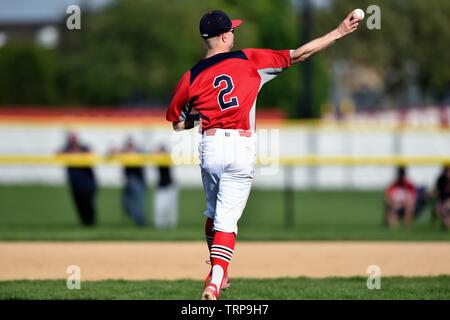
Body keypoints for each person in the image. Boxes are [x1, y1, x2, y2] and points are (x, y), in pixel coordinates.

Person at [166, 9, 361, 300]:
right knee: (227, 222)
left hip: (210, 145)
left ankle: (217, 270)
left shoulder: (190, 76)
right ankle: (215, 282)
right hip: (240, 146)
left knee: (213, 214)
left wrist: (201, 118)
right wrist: (339, 32)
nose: (234, 33)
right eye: (231, 30)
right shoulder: (248, 59)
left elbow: (177, 123)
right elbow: (300, 55)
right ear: (223, 36)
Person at [59, 132, 97, 226]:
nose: (73, 143)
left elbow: (92, 155)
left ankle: (90, 221)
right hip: (74, 183)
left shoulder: (84, 148)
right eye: (72, 141)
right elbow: (57, 154)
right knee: (78, 203)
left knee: (87, 202)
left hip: (87, 182)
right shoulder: (66, 150)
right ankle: (84, 222)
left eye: (75, 140)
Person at [116, 137, 147, 226]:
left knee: (137, 204)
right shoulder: (124, 153)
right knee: (126, 204)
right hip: (128, 181)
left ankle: (141, 222)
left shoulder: (139, 153)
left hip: (137, 181)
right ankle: (138, 219)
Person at [153, 145, 178, 229]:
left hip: (169, 185)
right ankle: (160, 225)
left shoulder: (168, 159)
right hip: (161, 186)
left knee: (170, 208)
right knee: (159, 207)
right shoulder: (157, 160)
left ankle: (171, 225)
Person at [432, 166, 450, 230]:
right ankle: (445, 223)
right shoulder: (441, 179)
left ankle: (446, 223)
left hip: (447, 201)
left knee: (446, 208)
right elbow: (436, 191)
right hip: (442, 200)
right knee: (438, 210)